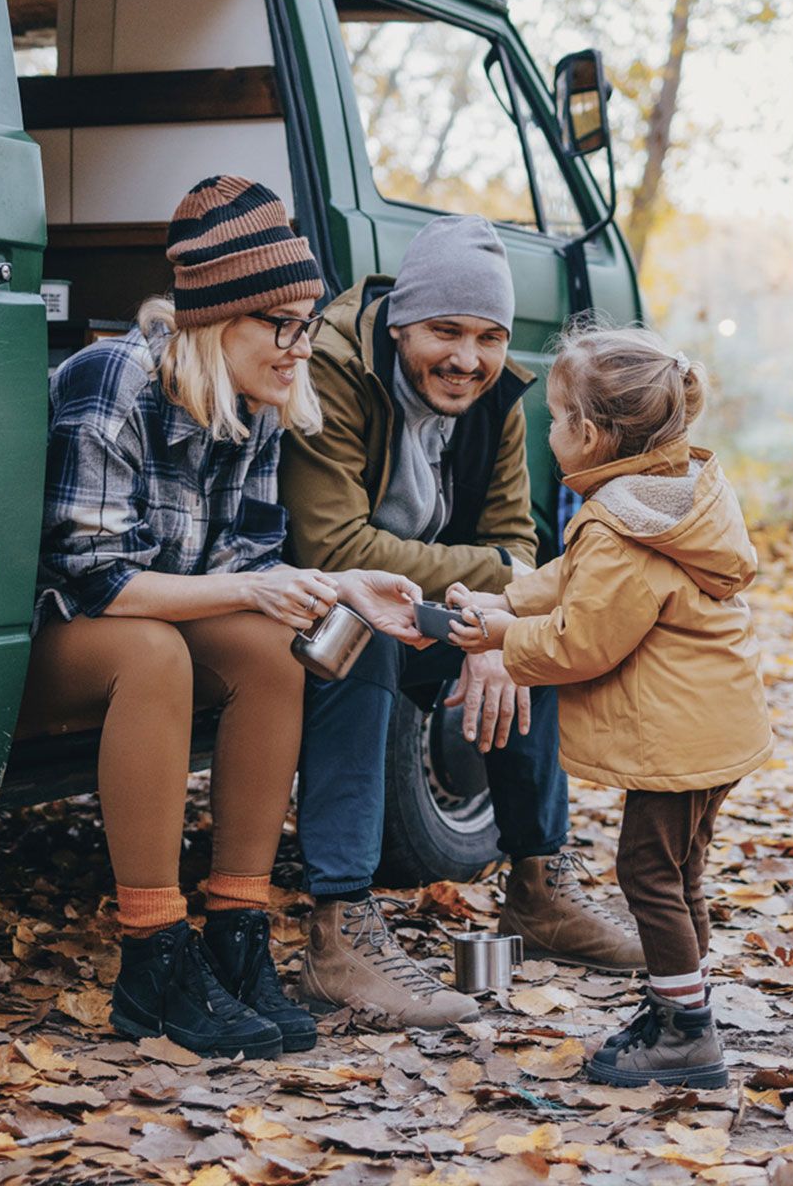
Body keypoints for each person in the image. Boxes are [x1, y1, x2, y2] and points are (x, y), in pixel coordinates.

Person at [20, 175, 425, 1060]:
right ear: (217, 320)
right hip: (50, 644)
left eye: (308, 324)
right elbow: (94, 581)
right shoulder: (113, 381)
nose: (300, 348)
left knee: (272, 655)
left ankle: (234, 937)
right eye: (282, 325)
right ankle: (152, 953)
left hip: (147, 628)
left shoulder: (256, 404)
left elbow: (244, 566)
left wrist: (345, 586)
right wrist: (252, 590)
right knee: (158, 653)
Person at [280, 216, 646, 1029]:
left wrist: (491, 628)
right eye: (445, 331)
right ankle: (339, 927)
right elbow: (334, 543)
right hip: (307, 600)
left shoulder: (498, 394)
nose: (467, 358)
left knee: (534, 643)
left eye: (487, 336)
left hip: (423, 603)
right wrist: (497, 592)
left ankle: (539, 891)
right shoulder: (335, 370)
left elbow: (516, 539)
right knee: (357, 628)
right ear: (403, 320)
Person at [447, 323, 774, 1087]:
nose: (550, 431)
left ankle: (687, 1033)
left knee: (647, 875)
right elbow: (571, 580)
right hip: (711, 723)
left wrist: (500, 635)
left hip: (680, 736)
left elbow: (580, 641)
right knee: (678, 870)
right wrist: (504, 596)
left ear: (589, 434)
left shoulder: (620, 525)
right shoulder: (659, 498)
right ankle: (677, 1002)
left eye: (557, 419)